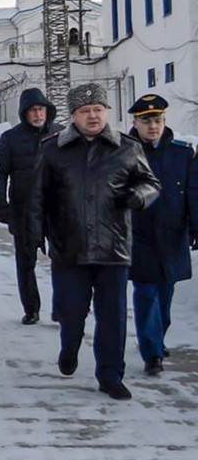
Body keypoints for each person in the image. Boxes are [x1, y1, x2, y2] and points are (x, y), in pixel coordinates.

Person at [25, 83, 161, 400]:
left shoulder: (127, 148)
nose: (92, 116)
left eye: (98, 110)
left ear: (106, 112)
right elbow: (36, 199)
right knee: (71, 312)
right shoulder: (52, 149)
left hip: (113, 248)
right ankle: (69, 345)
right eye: (85, 111)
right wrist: (35, 237)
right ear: (73, 115)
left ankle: (110, 375)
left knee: (112, 317)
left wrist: (138, 196)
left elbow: (150, 183)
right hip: (69, 247)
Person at [126, 94, 198, 375]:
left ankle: (157, 336)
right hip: (138, 235)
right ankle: (151, 353)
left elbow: (193, 192)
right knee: (145, 294)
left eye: (157, 120)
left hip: (172, 235)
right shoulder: (126, 151)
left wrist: (195, 227)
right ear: (136, 123)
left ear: (165, 121)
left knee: (165, 294)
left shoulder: (182, 153)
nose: (152, 126)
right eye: (146, 121)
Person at [0, 88, 64, 325]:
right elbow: (0, 174)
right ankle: (31, 308)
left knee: (61, 260)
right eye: (32, 110)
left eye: (41, 109)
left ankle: (60, 309)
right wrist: (1, 204)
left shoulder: (60, 134)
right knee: (26, 262)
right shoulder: (10, 138)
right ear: (24, 113)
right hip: (22, 208)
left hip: (56, 209)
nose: (37, 114)